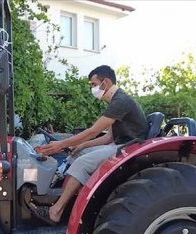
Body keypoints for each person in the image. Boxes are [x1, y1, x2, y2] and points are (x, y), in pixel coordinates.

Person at [35, 65, 148, 225]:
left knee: (81, 164)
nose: (93, 88)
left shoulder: (121, 102)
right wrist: (81, 146)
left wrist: (60, 144)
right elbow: (108, 137)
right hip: (119, 144)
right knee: (78, 154)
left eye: (94, 84)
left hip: (128, 148)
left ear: (106, 82)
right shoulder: (116, 102)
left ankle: (56, 211)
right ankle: (64, 193)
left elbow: (93, 131)